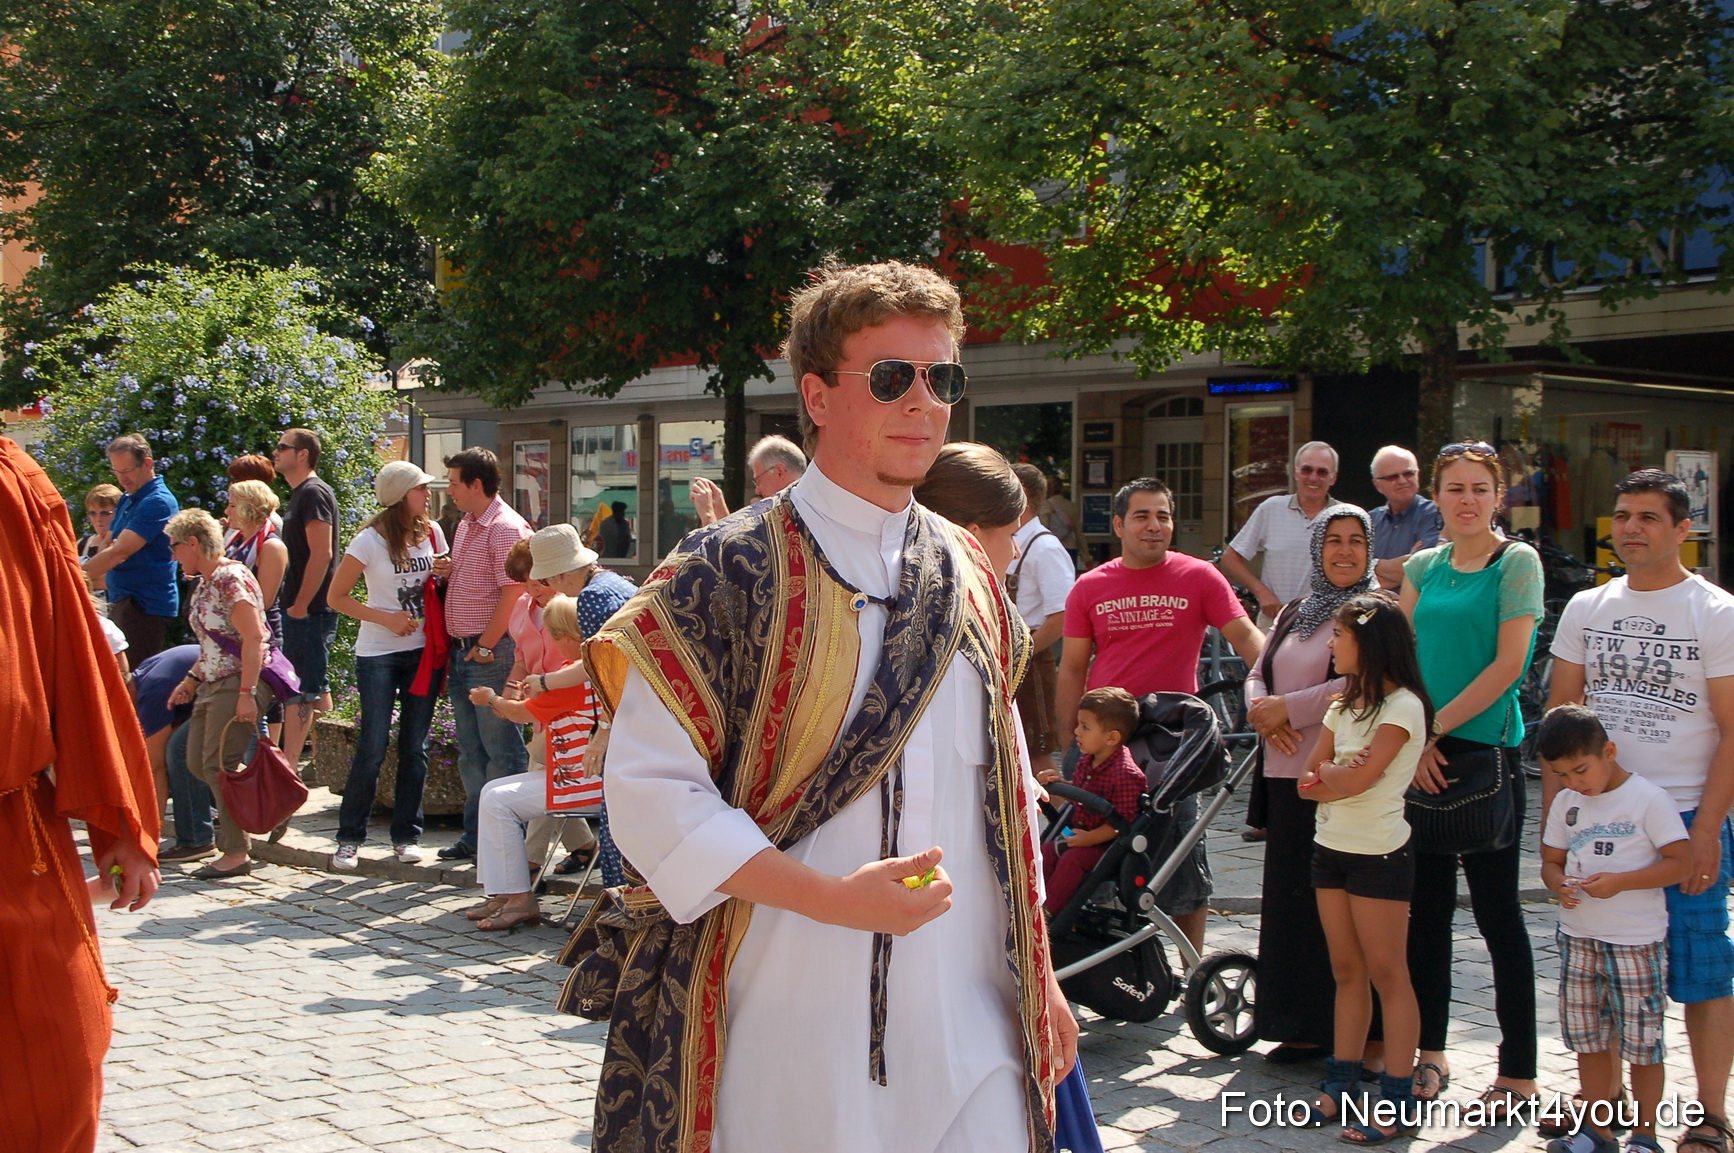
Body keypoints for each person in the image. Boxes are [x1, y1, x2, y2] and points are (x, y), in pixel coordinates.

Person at [572, 260, 1074, 1153]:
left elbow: (1005, 803)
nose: (923, 402)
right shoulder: (718, 573)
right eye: (892, 378)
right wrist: (825, 897)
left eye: (943, 378)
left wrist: (1044, 978)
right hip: (782, 1031)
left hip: (973, 1028)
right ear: (817, 394)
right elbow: (652, 796)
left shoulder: (972, 575)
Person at [1547, 469, 1734, 1153]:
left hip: (1683, 817)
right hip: (1597, 822)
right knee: (1595, 973)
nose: (1629, 528)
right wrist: (1560, 828)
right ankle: (1605, 1109)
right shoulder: (1586, 608)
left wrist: (1708, 828)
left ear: (1684, 528)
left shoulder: (1715, 612)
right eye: (1622, 515)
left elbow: (1733, 727)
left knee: (1701, 970)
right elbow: (1559, 723)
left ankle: (1712, 1115)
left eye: (1649, 517)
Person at [0, 436, 160, 1153]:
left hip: (11, 830)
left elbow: (71, 649)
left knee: (54, 1065)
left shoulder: (11, 478)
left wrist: (119, 817)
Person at [1058, 476, 1264, 952]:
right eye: (1142, 516)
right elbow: (1071, 670)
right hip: (1105, 742)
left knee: (1182, 854)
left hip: (1174, 744)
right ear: (1119, 525)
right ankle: (1108, 961)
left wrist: (1281, 686)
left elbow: (1246, 637)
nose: (1154, 526)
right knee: (1096, 852)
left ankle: (1192, 968)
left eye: (1163, 516)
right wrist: (1070, 739)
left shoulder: (1200, 577)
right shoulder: (1090, 586)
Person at [1399, 441, 1543, 1105]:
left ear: (1499, 495)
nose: (1467, 499)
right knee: (1425, 913)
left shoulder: (1516, 561)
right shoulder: (1423, 566)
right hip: (1421, 751)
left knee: (1497, 915)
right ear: (1438, 495)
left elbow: (1509, 665)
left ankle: (1517, 1068)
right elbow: (1399, 657)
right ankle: (1432, 1052)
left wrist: (1436, 727)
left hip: (1483, 753)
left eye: (1479, 488)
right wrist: (1413, 736)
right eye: (1454, 487)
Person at [1290, 595, 1429, 1141]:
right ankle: (1340, 1085)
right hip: (1331, 849)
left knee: (1389, 975)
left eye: (1340, 635)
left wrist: (1335, 773)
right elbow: (1307, 782)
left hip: (1380, 857)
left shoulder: (1405, 707)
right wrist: (1336, 771)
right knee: (1347, 972)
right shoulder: (1342, 707)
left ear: (1368, 642)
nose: (1330, 643)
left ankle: (1397, 1098)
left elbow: (1354, 782)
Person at [1245, 506, 1375, 1061]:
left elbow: (1361, 681)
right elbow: (1258, 669)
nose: (1344, 552)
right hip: (1282, 777)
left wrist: (1285, 711)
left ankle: (1344, 1031)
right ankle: (1296, 1025)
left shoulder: (1376, 612)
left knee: (1336, 911)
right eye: (1334, 541)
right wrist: (1259, 710)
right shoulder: (1295, 611)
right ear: (1317, 549)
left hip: (1339, 781)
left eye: (1355, 542)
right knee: (1291, 905)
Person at [1536, 705, 1692, 1153]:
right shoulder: (1568, 803)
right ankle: (1597, 1131)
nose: (1574, 783)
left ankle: (1645, 1136)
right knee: (1588, 1038)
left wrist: (1621, 883)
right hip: (1579, 935)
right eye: (1562, 775)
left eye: (1581, 770)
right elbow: (1550, 862)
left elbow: (1681, 864)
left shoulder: (1648, 799)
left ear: (1609, 751)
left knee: (1643, 1044)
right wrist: (1559, 884)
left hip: (1635, 941)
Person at [328, 461, 447, 869]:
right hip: (378, 652)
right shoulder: (368, 541)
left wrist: (445, 572)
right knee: (373, 745)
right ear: (400, 495)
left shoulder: (432, 532)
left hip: (422, 650)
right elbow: (337, 597)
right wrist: (385, 618)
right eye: (420, 488)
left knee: (416, 745)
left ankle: (406, 835)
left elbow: (440, 582)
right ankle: (349, 837)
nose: (428, 494)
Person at [467, 594, 599, 929]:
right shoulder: (586, 668)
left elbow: (517, 713)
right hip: (582, 776)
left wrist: (490, 699)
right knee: (493, 792)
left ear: (568, 637)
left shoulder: (572, 676)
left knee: (497, 800)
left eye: (555, 636)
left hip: (583, 783)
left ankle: (518, 897)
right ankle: (503, 892)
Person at [163, 508, 278, 880]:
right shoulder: (206, 581)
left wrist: (247, 692)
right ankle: (268, 803)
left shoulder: (231, 578)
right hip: (213, 684)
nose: (173, 554)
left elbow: (254, 637)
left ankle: (235, 851)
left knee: (218, 766)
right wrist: (192, 680)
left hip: (236, 684)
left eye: (175, 546)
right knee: (195, 761)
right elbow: (214, 643)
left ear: (194, 543)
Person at [431, 446, 532, 861]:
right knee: (472, 752)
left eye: (455, 483)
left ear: (476, 484)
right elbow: (485, 579)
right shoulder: (470, 524)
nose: (449, 491)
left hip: (488, 653)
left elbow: (512, 592)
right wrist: (451, 570)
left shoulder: (505, 527)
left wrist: (486, 645)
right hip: (465, 652)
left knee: (501, 750)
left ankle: (508, 843)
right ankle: (478, 837)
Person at [1036, 687, 1145, 913]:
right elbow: (1083, 793)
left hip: (1106, 844)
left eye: (1085, 727)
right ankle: (1029, 904)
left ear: (1111, 737)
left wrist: (1091, 838)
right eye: (1078, 724)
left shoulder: (1125, 774)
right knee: (1044, 851)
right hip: (1079, 833)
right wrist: (1060, 784)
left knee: (1072, 861)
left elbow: (1122, 821)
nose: (1077, 732)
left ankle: (1049, 913)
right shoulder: (1089, 760)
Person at [272, 428, 339, 771]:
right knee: (314, 685)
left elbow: (322, 553)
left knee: (303, 689)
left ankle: (294, 764)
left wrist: (300, 604)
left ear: (302, 454)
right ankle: (325, 759)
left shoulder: (312, 492)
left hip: (309, 610)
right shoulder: (301, 494)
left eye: (282, 447)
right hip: (303, 610)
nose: (275, 452)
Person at [83, 433, 180, 663]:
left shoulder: (157, 501)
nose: (122, 478)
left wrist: (77, 577)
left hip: (142, 605)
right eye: (117, 471)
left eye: (127, 471)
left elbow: (120, 551)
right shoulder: (129, 498)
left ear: (147, 463)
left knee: (133, 678)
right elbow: (109, 542)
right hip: (122, 600)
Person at [1222, 440, 1341, 623]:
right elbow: (1230, 558)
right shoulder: (1271, 509)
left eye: (1322, 472)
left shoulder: (1345, 516)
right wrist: (1262, 593)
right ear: (1295, 472)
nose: (1313, 478)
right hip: (1275, 619)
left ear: (1333, 477)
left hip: (1326, 623)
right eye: (1307, 470)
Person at [1009, 463, 1075, 759]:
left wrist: (1025, 652)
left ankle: (1060, 808)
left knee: (1037, 758)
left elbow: (1063, 615)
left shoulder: (1044, 547)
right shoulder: (1011, 540)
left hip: (1031, 663)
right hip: (1009, 658)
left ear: (1020, 494)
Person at [131, 645, 213, 863]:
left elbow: (155, 769)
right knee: (189, 748)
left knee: (178, 750)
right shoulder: (141, 675)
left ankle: (196, 840)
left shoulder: (151, 694)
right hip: (218, 681)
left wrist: (150, 837)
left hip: (232, 685)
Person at [1369, 445, 1443, 590]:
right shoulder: (1368, 520)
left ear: (1418, 475)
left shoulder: (1436, 515)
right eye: (1392, 477)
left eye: (1408, 473)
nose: (1402, 481)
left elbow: (1423, 569)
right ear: (1377, 485)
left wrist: (1371, 565)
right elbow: (1351, 574)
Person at [78, 483, 121, 564]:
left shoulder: (127, 542)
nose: (98, 519)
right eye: (92, 513)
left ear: (119, 513)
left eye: (104, 513)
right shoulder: (81, 545)